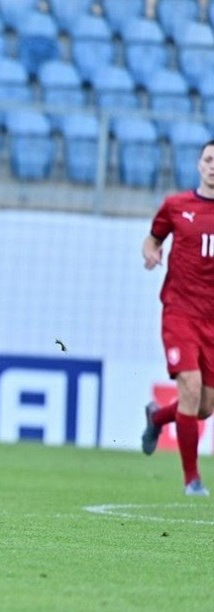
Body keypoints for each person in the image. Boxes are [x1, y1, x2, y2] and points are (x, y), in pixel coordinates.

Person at [140, 138, 214, 496]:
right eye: (208, 159)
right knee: (190, 386)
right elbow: (152, 240)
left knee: (203, 407)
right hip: (180, 312)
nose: (213, 166)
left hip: (212, 321)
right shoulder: (176, 206)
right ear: (199, 164)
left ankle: (156, 417)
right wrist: (152, 255)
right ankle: (192, 481)